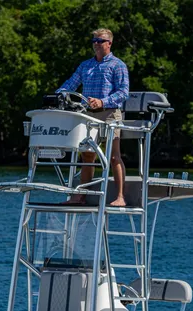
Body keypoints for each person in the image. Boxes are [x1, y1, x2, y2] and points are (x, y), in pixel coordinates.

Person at [57, 28, 129, 206]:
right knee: (87, 156)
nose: (96, 44)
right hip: (88, 115)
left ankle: (120, 197)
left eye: (100, 41)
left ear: (109, 43)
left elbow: (123, 92)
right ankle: (81, 196)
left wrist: (103, 102)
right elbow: (71, 83)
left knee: (113, 156)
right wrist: (57, 95)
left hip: (110, 113)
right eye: (94, 41)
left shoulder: (117, 65)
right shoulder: (85, 65)